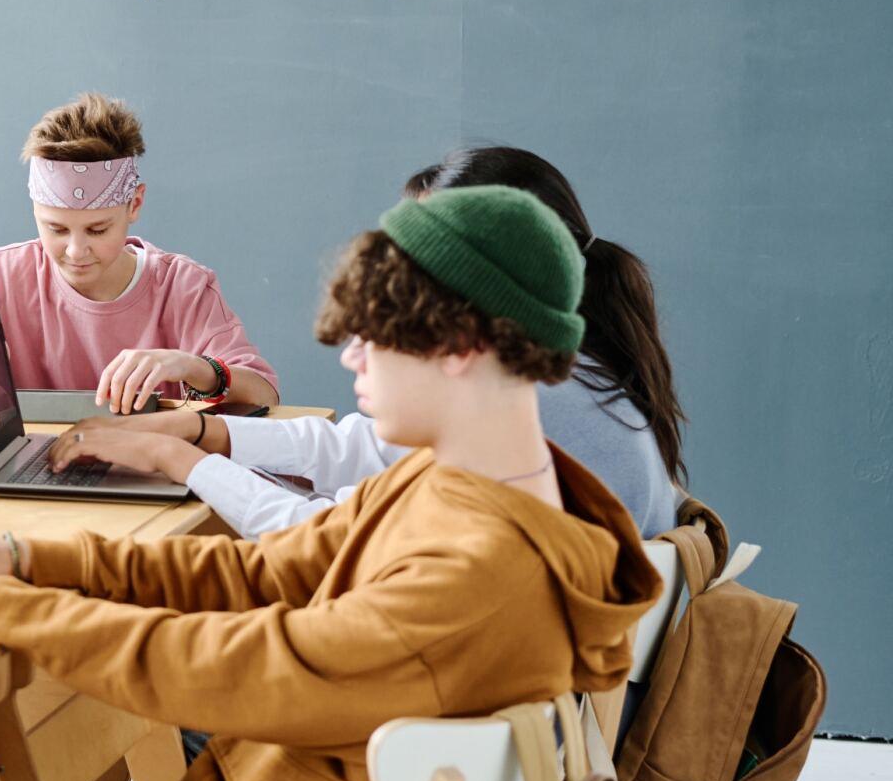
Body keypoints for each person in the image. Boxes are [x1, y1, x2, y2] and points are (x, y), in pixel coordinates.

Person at [0, 185, 661, 781]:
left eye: (379, 334)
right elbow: (255, 572)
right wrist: (14, 557)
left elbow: (213, 663)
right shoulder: (467, 488)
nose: (350, 357)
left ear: (465, 347)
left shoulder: (472, 574)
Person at [54, 147, 683, 538]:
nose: (359, 346)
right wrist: (200, 435)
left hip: (466, 743)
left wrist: (184, 460)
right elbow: (367, 458)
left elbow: (323, 535)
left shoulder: (525, 405)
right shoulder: (557, 378)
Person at [0, 93, 278, 423]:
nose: (76, 251)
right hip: (38, 466)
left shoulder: (182, 286)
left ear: (135, 204)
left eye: (97, 230)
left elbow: (264, 394)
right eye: (55, 229)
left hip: (152, 465)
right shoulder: (1, 275)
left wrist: (191, 365)